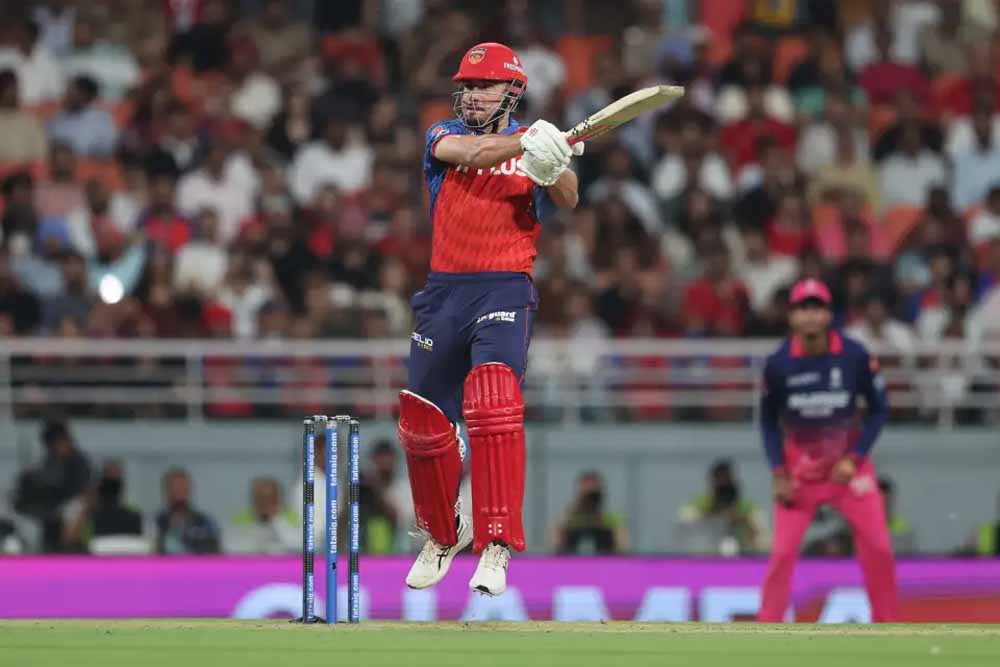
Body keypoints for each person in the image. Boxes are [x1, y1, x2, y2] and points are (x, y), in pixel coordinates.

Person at [399, 42, 580, 597]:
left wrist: (553, 165)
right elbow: (473, 154)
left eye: (485, 86)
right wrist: (531, 143)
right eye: (468, 87)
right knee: (422, 423)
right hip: (443, 292)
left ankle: (496, 544)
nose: (474, 95)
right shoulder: (442, 135)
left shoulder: (536, 146)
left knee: (494, 402)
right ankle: (441, 533)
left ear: (513, 91)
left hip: (504, 287)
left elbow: (570, 198)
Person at [757, 278, 898, 622]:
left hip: (848, 471)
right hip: (799, 475)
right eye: (802, 308)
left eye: (816, 307)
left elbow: (880, 409)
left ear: (829, 314)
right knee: (782, 555)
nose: (810, 315)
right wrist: (778, 473)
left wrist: (855, 458)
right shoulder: (778, 364)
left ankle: (888, 627)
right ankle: (766, 628)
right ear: (791, 316)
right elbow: (767, 422)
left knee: (879, 548)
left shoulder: (854, 356)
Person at [12, 418, 91, 552]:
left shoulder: (79, 462)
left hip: (72, 505)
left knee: (74, 509)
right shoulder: (52, 458)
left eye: (55, 444)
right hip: (51, 507)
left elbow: (80, 493)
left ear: (64, 441)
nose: (52, 448)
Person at [678, 460, 764, 555]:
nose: (723, 485)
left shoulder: (748, 508)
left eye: (727, 481)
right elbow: (684, 528)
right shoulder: (699, 505)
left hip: (742, 556)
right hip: (707, 556)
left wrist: (742, 520)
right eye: (719, 481)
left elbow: (762, 540)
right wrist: (716, 516)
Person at [552, 470, 628, 555]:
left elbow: (622, 549)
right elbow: (555, 548)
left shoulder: (612, 519)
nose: (591, 500)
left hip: (605, 561)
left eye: (594, 494)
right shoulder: (567, 519)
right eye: (586, 494)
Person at [154, 467, 220, 555]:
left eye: (183, 487)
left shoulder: (206, 523)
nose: (179, 492)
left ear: (189, 490)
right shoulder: (155, 523)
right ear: (166, 491)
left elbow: (215, 555)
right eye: (175, 488)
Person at [225, 477, 299, 554]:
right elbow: (231, 547)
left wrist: (278, 521)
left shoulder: (292, 519)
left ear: (279, 498)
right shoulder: (240, 520)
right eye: (261, 498)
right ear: (254, 499)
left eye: (271, 498)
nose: (266, 503)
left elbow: (297, 545)